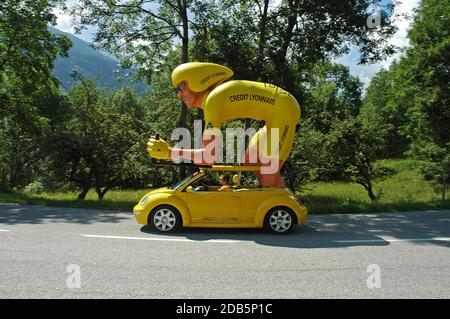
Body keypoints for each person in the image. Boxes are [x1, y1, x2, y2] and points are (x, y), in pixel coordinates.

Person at [147, 62, 301, 188]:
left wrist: (170, 153)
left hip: (283, 110)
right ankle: (284, 202)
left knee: (268, 177)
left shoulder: (213, 101)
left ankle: (278, 210)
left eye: (180, 87)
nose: (179, 95)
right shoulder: (213, 101)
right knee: (250, 161)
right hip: (278, 110)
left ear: (195, 81)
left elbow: (208, 158)